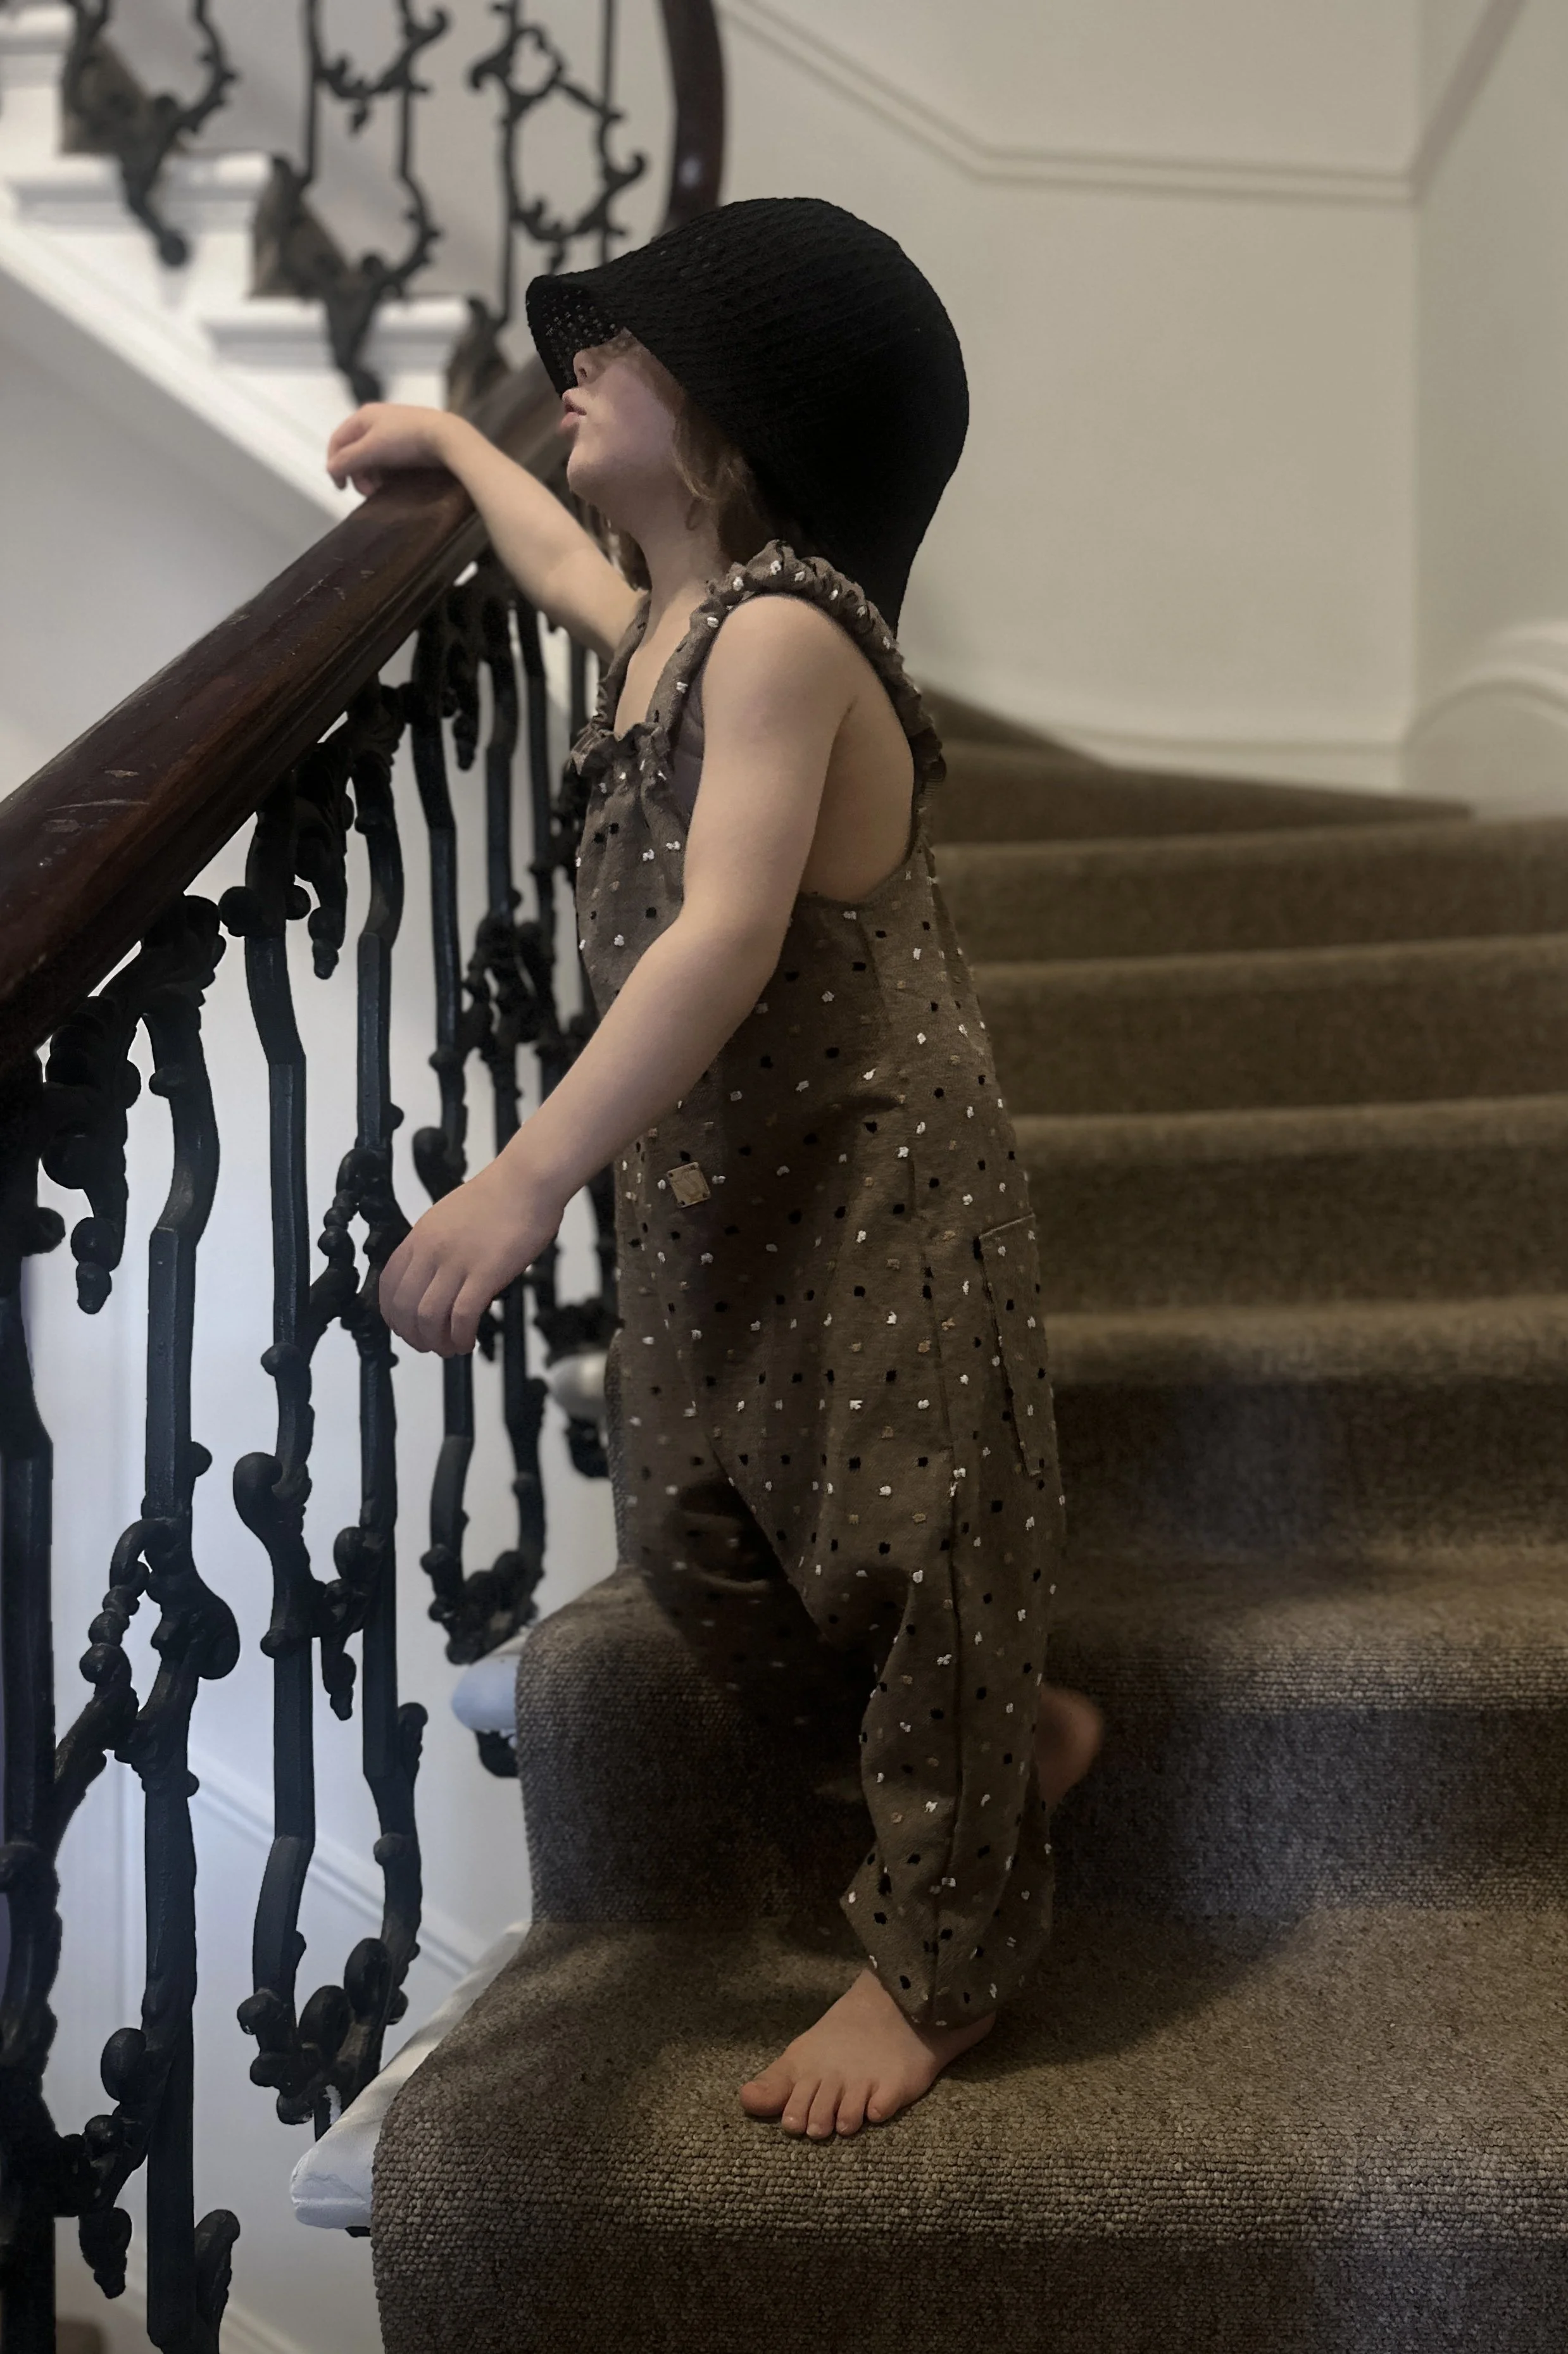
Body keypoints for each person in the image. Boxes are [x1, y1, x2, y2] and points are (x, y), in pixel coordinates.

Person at [328, 196, 1104, 2141]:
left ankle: (940, 1950)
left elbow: (721, 934)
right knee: (694, 1525)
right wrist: (460, 451)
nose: (578, 356)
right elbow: (557, 576)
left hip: (868, 1189)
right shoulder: (676, 622)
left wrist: (518, 1178)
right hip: (710, 1192)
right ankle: (1011, 1754)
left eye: (622, 348)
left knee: (905, 1539)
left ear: (740, 414)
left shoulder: (776, 635)